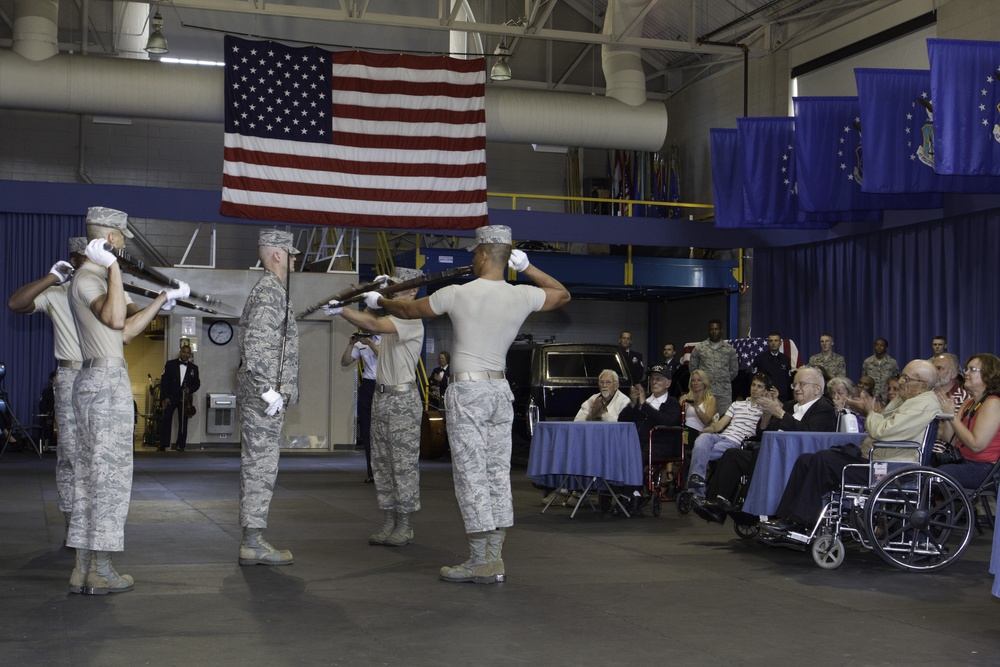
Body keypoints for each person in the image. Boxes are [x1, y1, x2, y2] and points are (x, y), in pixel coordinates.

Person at [365, 224, 570, 584]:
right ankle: (494, 558)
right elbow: (561, 294)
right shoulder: (522, 295)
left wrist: (379, 300)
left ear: (486, 255)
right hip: (500, 392)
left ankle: (479, 560)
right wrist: (527, 268)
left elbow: (409, 310)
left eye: (475, 252)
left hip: (469, 394)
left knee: (471, 475)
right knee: (495, 474)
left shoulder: (457, 293)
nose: (472, 258)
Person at [67, 207, 185, 594]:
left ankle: (84, 567)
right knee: (109, 479)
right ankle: (98, 568)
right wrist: (115, 269)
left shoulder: (95, 278)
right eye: (120, 241)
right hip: (103, 383)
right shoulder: (90, 278)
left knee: (92, 478)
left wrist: (161, 300)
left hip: (101, 378)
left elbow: (128, 333)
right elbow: (118, 321)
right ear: (113, 239)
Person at [760, 359, 940, 535]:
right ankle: (786, 518)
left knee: (824, 460)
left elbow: (883, 430)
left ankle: (799, 520)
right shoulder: (906, 399)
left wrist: (870, 412)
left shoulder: (924, 403)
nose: (900, 381)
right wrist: (868, 411)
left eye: (906, 379)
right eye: (902, 376)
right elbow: (882, 423)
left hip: (888, 467)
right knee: (806, 459)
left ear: (923, 385)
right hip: (872, 457)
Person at [326, 267, 425, 548]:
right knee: (381, 464)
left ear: (413, 290)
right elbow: (372, 321)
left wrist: (342, 311)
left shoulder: (412, 319)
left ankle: (405, 524)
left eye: (396, 287)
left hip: (402, 400)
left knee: (402, 465)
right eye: (389, 286)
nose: (390, 290)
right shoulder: (391, 318)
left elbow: (374, 326)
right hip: (381, 397)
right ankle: (388, 520)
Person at [697, 367, 839, 522]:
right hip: (775, 453)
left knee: (760, 454)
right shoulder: (791, 405)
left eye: (801, 384)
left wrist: (779, 413)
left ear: (817, 388)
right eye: (794, 384)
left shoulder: (824, 408)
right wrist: (766, 416)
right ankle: (717, 504)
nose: (796, 388)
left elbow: (808, 433)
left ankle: (749, 510)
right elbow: (763, 433)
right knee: (733, 454)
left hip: (796, 457)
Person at [237, 229, 300, 566]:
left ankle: (253, 539)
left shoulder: (273, 290)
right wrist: (267, 390)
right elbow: (256, 345)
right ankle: (252, 542)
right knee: (260, 468)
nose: (294, 261)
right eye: (291, 255)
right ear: (277, 254)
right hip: (264, 400)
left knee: (261, 467)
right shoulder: (269, 292)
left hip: (265, 398)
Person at [686, 372, 770, 498]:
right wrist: (706, 430)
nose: (755, 388)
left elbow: (780, 410)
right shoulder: (737, 404)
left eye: (759, 386)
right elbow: (718, 426)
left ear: (765, 391)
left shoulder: (766, 410)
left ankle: (695, 491)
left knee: (699, 451)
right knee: (702, 439)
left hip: (738, 443)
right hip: (723, 436)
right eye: (753, 385)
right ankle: (697, 487)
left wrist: (772, 399)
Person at [933, 354, 1000, 489]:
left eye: (972, 370)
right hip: (964, 461)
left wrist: (952, 417)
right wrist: (947, 415)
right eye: (967, 369)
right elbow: (950, 440)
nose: (966, 373)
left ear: (989, 374)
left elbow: (976, 445)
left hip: (984, 468)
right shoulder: (968, 402)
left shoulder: (993, 402)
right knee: (923, 469)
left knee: (932, 476)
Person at [341, 329, 380, 482]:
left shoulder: (388, 339)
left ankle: (387, 472)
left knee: (384, 431)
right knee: (368, 429)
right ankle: (372, 472)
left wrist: (370, 343)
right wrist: (351, 345)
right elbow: (344, 362)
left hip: (385, 385)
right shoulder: (360, 344)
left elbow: (386, 357)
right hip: (368, 386)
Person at [689, 319, 739, 415]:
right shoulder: (700, 348)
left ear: (721, 330)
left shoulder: (729, 349)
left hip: (724, 393)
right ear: (708, 331)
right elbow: (693, 369)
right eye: (712, 329)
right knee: (705, 420)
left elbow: (734, 370)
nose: (714, 331)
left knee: (724, 420)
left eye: (717, 329)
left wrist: (723, 379)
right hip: (705, 392)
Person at [158, 343, 201, 452]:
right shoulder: (170, 364)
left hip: (184, 399)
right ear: (180, 352)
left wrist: (189, 389)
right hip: (170, 397)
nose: (186, 354)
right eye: (184, 352)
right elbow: (164, 382)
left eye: (188, 353)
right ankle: (163, 444)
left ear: (190, 354)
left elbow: (197, 384)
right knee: (166, 420)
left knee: (183, 422)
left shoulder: (194, 368)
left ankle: (180, 445)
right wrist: (165, 397)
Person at [679, 369, 718, 442]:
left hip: (698, 431)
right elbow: (678, 417)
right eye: (693, 380)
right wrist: (682, 407)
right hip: (683, 428)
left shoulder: (711, 400)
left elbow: (706, 421)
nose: (695, 383)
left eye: (699, 380)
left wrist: (696, 407)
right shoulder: (685, 398)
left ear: (704, 382)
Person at [753, 332, 792, 401]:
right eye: (771, 341)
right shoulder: (759, 359)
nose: (773, 343)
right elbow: (754, 378)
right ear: (768, 343)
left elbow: (788, 380)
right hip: (763, 396)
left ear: (780, 343)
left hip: (781, 397)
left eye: (776, 340)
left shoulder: (786, 359)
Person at [861, 337, 899, 403]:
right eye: (877, 345)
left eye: (881, 345)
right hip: (871, 396)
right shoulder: (867, 362)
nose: (879, 347)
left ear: (886, 348)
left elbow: (896, 380)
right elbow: (864, 380)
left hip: (887, 396)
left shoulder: (892, 362)